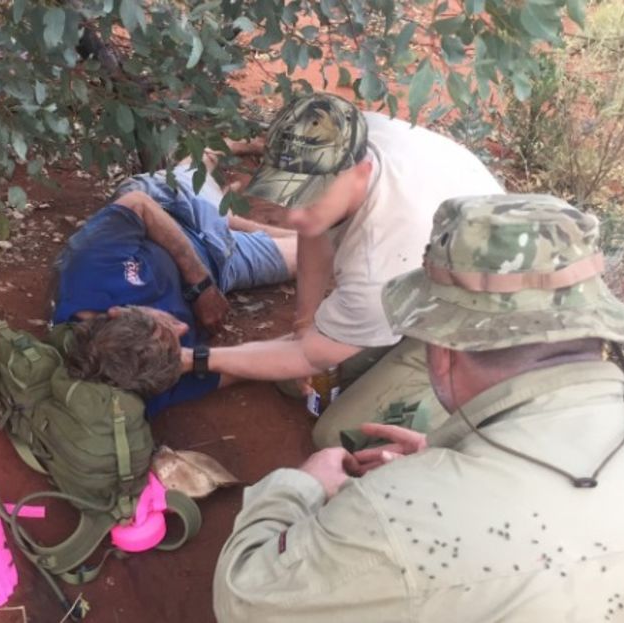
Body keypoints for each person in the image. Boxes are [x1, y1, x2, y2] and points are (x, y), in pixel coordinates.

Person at [214, 194, 624, 622]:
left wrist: (299, 486)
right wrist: (447, 457)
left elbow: (246, 600)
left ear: (441, 350)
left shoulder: (394, 517)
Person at [184, 92, 504, 448]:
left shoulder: (379, 260)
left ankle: (478, 412)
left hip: (478, 323)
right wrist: (305, 322)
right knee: (296, 378)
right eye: (288, 193)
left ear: (361, 172)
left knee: (337, 434)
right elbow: (312, 230)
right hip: (442, 263)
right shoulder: (345, 130)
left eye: (310, 197)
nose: (292, 215)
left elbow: (309, 354)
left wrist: (194, 359)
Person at [51, 150, 297, 417]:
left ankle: (231, 152)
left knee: (200, 167)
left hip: (173, 209)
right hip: (224, 264)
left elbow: (138, 204)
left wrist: (201, 285)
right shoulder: (150, 380)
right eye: (178, 347)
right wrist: (196, 361)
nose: (184, 327)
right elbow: (241, 368)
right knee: (316, 255)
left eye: (166, 324)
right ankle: (226, 218)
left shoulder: (88, 269)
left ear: (118, 311)